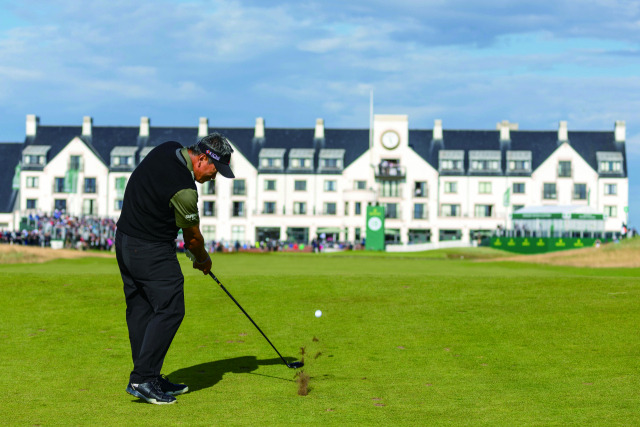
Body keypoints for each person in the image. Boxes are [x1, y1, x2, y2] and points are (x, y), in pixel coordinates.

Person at [115, 133, 235, 405]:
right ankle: (143, 379)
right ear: (203, 159)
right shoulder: (185, 189)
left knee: (141, 308)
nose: (214, 177)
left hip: (124, 241)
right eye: (216, 170)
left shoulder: (168, 148)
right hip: (149, 248)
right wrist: (203, 260)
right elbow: (192, 238)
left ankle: (147, 375)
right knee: (171, 308)